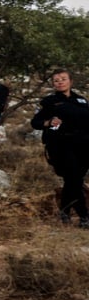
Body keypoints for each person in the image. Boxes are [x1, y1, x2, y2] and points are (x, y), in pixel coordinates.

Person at [31, 69, 89, 227]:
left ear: (71, 81)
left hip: (83, 146)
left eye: (63, 79)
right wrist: (48, 122)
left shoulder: (81, 101)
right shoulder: (49, 102)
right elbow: (35, 122)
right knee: (73, 176)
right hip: (61, 145)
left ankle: (64, 210)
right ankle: (84, 216)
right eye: (56, 80)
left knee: (74, 180)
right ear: (53, 84)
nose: (60, 82)